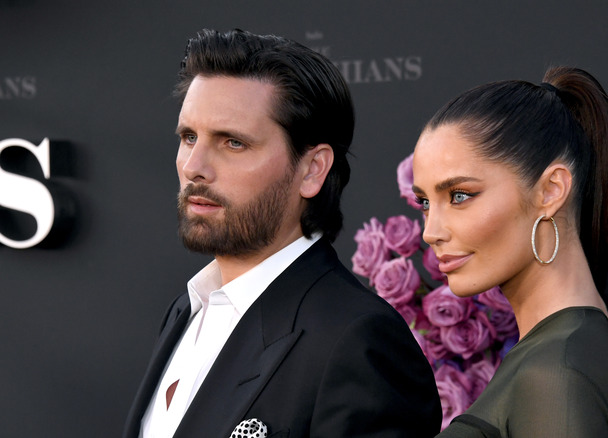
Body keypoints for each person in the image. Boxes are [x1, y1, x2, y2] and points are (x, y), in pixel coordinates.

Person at [122, 29, 441, 438]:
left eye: (233, 142)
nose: (194, 166)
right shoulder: (186, 311)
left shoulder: (358, 341)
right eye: (188, 137)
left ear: (312, 170)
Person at [412, 67, 608, 437]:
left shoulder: (556, 372)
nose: (430, 232)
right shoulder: (562, 350)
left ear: (550, 191)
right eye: (424, 202)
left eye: (459, 196)